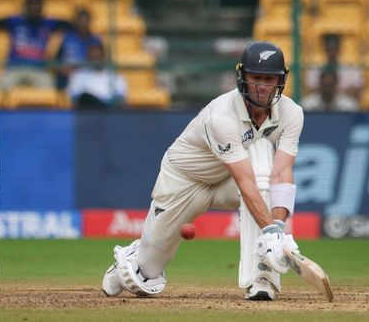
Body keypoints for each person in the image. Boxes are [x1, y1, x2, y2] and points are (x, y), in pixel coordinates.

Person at [101, 41, 303, 301]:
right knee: (147, 273)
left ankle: (262, 279)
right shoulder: (221, 117)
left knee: (263, 151)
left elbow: (281, 174)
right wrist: (274, 236)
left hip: (227, 181)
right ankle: (133, 263)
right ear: (243, 77)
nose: (263, 86)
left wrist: (277, 227)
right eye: (256, 78)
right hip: (185, 181)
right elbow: (244, 181)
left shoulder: (292, 113)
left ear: (280, 81)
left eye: (269, 78)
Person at [0, 0, 75, 91]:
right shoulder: (16, 22)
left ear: (42, 8)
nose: (35, 8)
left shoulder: (48, 23)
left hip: (38, 70)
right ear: (27, 7)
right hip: (14, 68)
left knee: (48, 89)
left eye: (37, 5)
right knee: (1, 87)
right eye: (32, 5)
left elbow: (69, 25)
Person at [53, 8, 102, 90]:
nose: (83, 24)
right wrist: (64, 71)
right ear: (76, 22)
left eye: (85, 21)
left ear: (89, 21)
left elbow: (102, 64)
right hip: (67, 77)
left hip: (90, 77)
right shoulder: (67, 39)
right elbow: (56, 61)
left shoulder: (96, 41)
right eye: (80, 21)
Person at [67, 42, 127, 109]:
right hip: (88, 115)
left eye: (98, 57)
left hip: (109, 115)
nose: (95, 61)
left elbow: (121, 102)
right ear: (88, 58)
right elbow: (75, 101)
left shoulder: (116, 77)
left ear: (103, 57)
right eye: (92, 58)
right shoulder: (77, 76)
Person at [305, 33, 364, 101]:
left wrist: (334, 91)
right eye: (329, 48)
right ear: (325, 49)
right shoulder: (315, 67)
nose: (331, 51)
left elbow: (357, 91)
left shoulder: (351, 67)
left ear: (339, 48)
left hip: (342, 99)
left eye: (334, 48)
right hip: (321, 101)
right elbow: (310, 89)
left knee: (350, 105)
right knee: (308, 103)